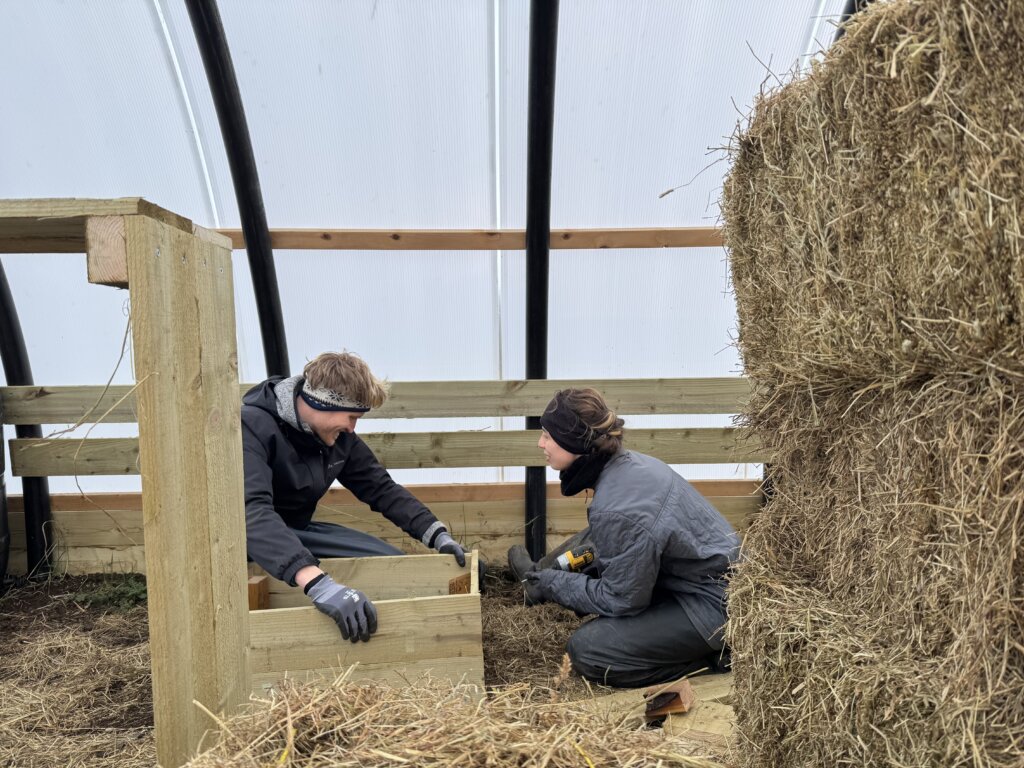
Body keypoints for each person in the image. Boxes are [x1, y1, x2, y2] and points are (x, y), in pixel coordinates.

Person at [507, 387, 739, 688]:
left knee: (588, 651)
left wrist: (557, 585)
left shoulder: (617, 508)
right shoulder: (628, 465)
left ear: (574, 443)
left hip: (715, 607)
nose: (541, 443)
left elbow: (621, 600)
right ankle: (534, 579)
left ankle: (713, 663)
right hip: (700, 579)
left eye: (548, 435)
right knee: (596, 537)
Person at [242, 351, 467, 643]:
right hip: (250, 539)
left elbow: (381, 488)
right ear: (323, 402)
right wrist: (318, 583)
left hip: (298, 533)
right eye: (351, 417)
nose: (352, 428)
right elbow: (251, 513)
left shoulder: (338, 439)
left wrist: (437, 536)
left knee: (395, 564)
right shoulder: (252, 427)